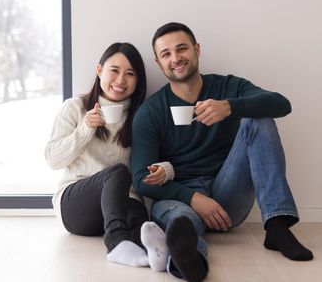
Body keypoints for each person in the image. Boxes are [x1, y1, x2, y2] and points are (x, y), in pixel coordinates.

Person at [131, 22, 314, 282]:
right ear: (159, 63)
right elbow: (140, 178)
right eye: (166, 54)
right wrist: (192, 197)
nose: (176, 58)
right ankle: (190, 259)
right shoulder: (150, 112)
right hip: (180, 197)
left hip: (227, 195)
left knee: (259, 119)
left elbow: (281, 104)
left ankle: (276, 226)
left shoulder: (227, 87)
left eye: (182, 49)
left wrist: (230, 107)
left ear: (196, 50)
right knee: (183, 221)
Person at [45, 42, 173, 270]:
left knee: (137, 210)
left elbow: (157, 160)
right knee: (118, 172)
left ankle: (155, 252)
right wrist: (85, 129)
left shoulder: (142, 117)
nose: (121, 80)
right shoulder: (75, 108)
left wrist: (166, 169)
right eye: (114, 70)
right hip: (75, 206)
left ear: (138, 81)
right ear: (99, 71)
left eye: (130, 74)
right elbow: (53, 160)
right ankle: (116, 243)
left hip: (120, 205)